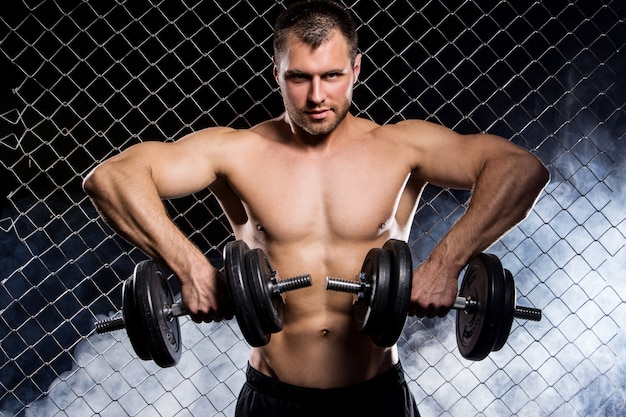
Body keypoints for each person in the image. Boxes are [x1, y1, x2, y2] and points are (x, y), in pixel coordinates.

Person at [83, 0, 549, 415]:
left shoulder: (402, 147)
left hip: (376, 394)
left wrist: (447, 264)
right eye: (299, 77)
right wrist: (189, 269)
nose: (317, 96)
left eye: (332, 75)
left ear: (357, 69)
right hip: (273, 396)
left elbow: (519, 170)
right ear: (276, 73)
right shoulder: (236, 152)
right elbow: (112, 178)